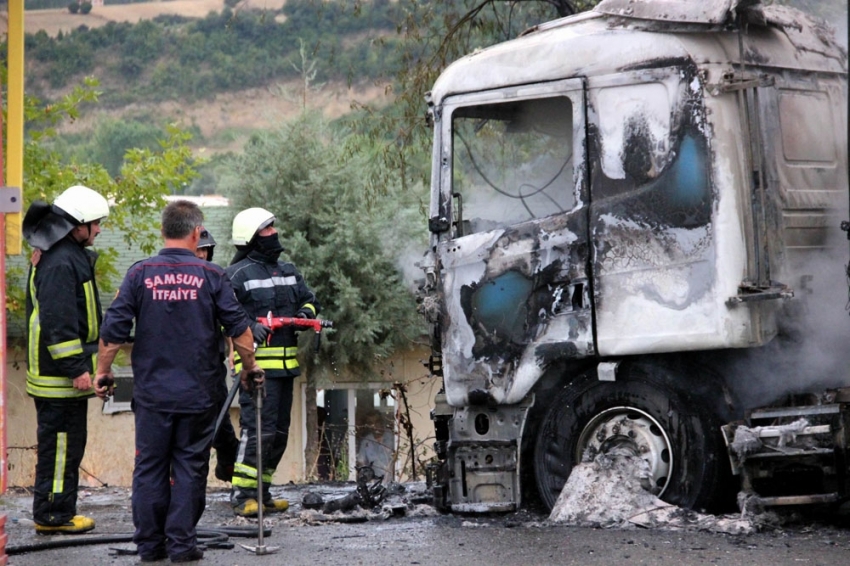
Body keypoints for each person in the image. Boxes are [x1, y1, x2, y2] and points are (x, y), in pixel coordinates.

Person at [94, 200, 264, 563]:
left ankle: (151, 547)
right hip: (199, 395)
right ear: (196, 233)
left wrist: (103, 372)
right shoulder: (212, 275)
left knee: (150, 467)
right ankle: (183, 546)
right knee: (190, 466)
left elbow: (112, 332)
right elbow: (242, 332)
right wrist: (248, 368)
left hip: (153, 396)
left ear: (162, 232)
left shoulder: (140, 273)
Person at [22, 185, 110, 535]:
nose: (100, 230)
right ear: (77, 226)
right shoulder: (61, 261)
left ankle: (58, 509)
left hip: (58, 376)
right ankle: (53, 515)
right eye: (96, 224)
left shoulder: (60, 254)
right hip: (58, 378)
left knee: (65, 446)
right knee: (60, 448)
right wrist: (77, 369)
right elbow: (58, 322)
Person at [227, 207, 320, 517]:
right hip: (256, 368)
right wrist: (250, 326)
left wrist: (305, 314)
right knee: (258, 430)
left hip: (286, 367)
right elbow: (226, 314)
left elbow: (309, 298)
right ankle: (242, 494)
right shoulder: (237, 275)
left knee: (279, 432)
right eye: (267, 230)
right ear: (252, 238)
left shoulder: (289, 270)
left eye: (273, 228)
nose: (274, 234)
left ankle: (263, 493)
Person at [195, 227, 239, 482]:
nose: (201, 255)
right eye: (198, 249)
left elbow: (231, 320)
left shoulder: (215, 278)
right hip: (183, 371)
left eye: (205, 250)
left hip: (212, 369)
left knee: (221, 426)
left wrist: (234, 351)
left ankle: (228, 468)